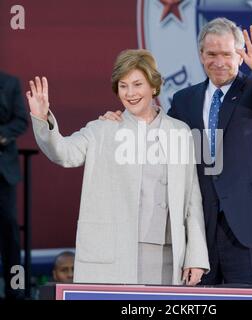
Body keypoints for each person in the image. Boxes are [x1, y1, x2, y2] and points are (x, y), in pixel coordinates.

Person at [102, 18, 252, 285]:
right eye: (211, 54)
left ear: (240, 55)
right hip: (201, 226)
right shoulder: (184, 99)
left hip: (250, 222)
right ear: (201, 55)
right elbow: (159, 134)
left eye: (227, 54)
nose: (219, 61)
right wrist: (123, 122)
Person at [26, 49, 209, 286]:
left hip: (168, 255)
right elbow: (63, 153)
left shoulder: (180, 132)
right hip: (115, 256)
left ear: (154, 86)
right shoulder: (103, 128)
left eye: (137, 84)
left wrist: (196, 256)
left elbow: (192, 199)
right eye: (123, 86)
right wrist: (43, 119)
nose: (130, 93)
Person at [0, 71, 28, 299]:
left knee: (9, 228)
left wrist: (1, 135)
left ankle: (15, 289)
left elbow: (21, 120)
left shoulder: (9, 83)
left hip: (3, 171)